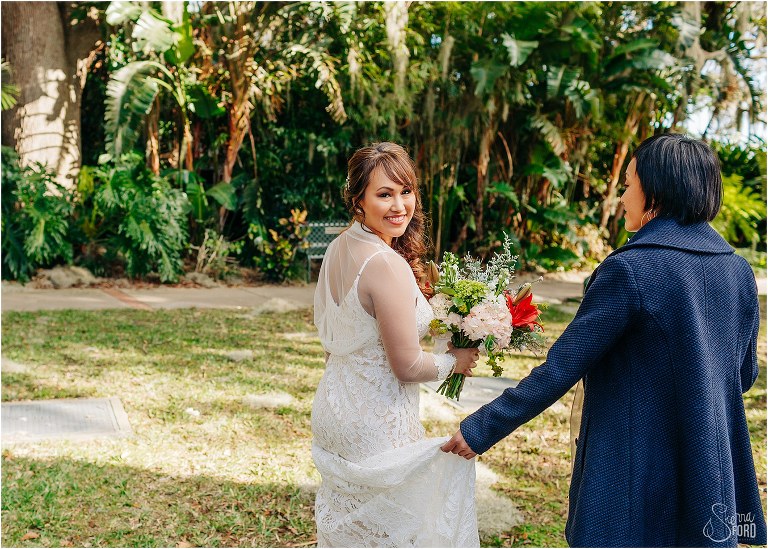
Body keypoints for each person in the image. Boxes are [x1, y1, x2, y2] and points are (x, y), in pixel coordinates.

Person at [442, 133, 767, 547]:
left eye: (629, 184)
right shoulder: (738, 272)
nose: (622, 197)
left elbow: (562, 368)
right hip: (708, 468)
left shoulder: (631, 270)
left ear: (655, 189)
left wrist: (481, 428)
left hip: (630, 471)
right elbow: (743, 375)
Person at [311, 142, 481, 547]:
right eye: (383, 194)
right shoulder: (385, 264)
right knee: (396, 533)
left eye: (405, 191)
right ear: (358, 200)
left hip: (335, 407)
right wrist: (453, 361)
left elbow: (347, 336)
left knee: (357, 531)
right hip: (375, 418)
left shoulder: (339, 248)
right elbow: (405, 366)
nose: (399, 205)